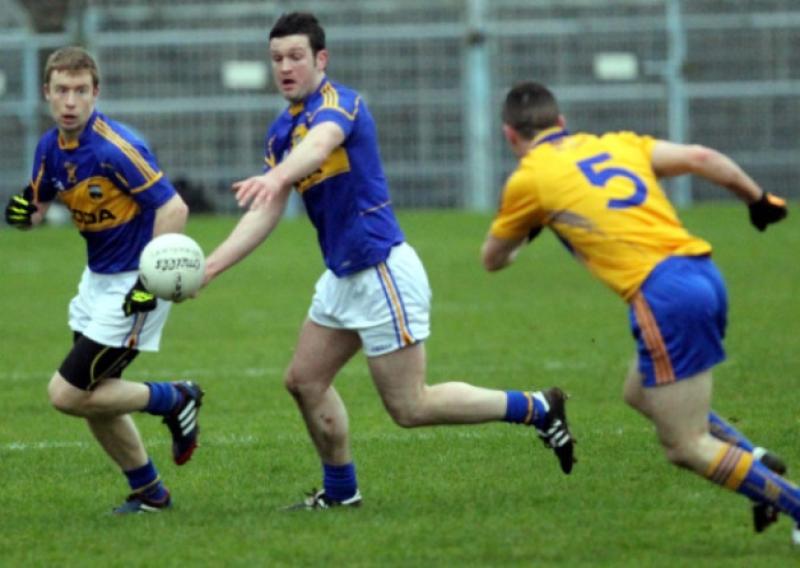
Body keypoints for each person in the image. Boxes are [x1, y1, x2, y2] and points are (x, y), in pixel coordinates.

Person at [201, 12, 575, 509]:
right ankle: (341, 495)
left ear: (321, 59)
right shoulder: (280, 132)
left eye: (295, 56)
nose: (285, 67)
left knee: (410, 405)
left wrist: (276, 177)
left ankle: (536, 408)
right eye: (276, 59)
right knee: (304, 381)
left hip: (381, 271)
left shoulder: (341, 104)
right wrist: (209, 267)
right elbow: (266, 213)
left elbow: (321, 145)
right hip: (342, 276)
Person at [482, 81, 796, 542]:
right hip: (703, 272)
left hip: (664, 295)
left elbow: (493, 259)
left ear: (510, 135)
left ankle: (788, 500)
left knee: (685, 446)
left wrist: (529, 230)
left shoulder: (529, 179)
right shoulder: (618, 144)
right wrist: (758, 200)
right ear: (562, 122)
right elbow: (703, 158)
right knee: (639, 391)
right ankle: (754, 461)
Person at [4, 46, 204, 514]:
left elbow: (174, 208)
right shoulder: (49, 147)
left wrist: (148, 283)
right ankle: (150, 493)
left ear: (96, 93)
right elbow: (35, 208)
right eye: (61, 91)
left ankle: (175, 398)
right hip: (96, 282)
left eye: (79, 90)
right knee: (94, 398)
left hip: (134, 285)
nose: (70, 101)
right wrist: (18, 214)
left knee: (67, 394)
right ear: (47, 94)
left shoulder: (116, 147)